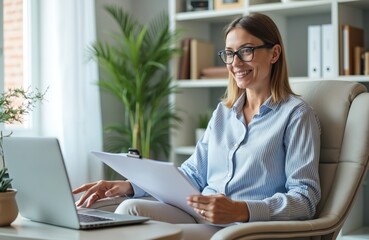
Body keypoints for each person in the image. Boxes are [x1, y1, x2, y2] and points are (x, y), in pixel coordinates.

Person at [73, 12, 321, 238]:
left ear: (274, 53)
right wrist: (129, 185)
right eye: (229, 53)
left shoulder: (297, 115)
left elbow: (305, 199)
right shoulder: (223, 113)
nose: (235, 63)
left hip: (246, 228)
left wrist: (241, 210)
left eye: (246, 51)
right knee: (130, 207)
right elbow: (193, 173)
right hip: (202, 213)